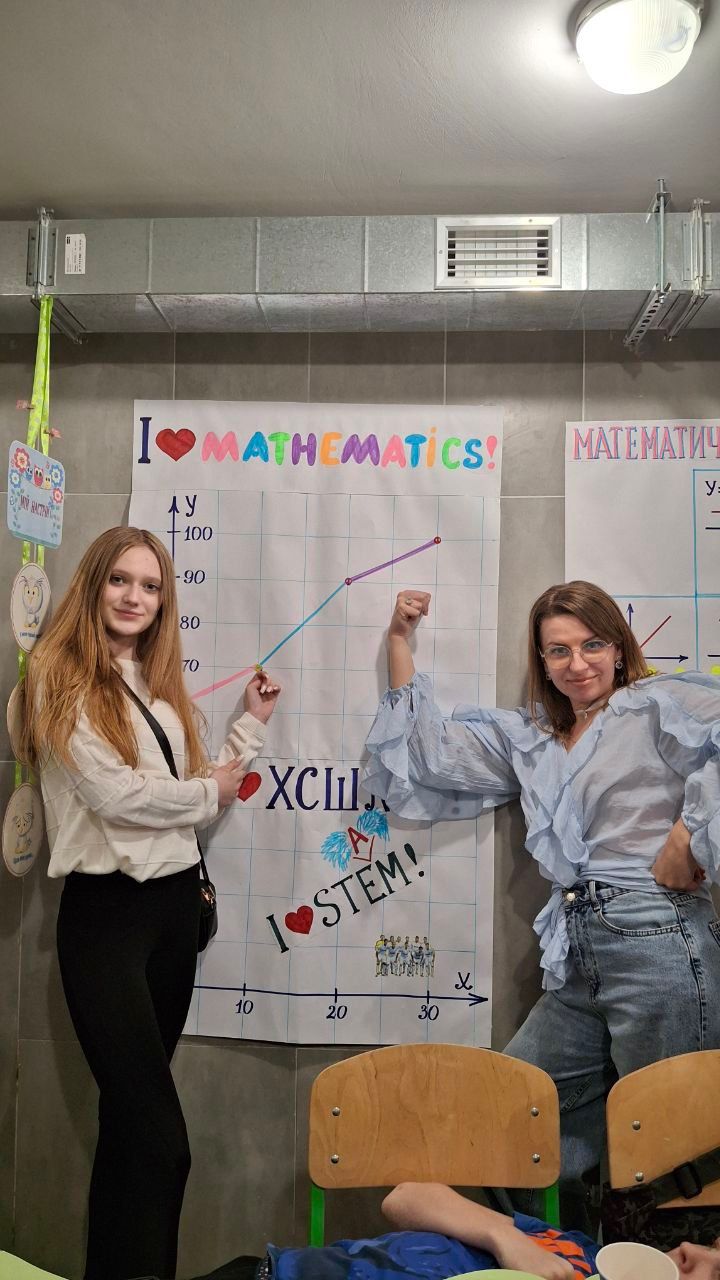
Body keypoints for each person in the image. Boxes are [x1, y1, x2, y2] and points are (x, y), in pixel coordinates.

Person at [363, 580, 720, 1227]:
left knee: (675, 1152)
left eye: (592, 645)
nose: (577, 664)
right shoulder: (533, 738)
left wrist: (688, 832)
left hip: (659, 935)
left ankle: (668, 1261)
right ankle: (574, 1255)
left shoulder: (655, 704)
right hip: (576, 952)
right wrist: (398, 641)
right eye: (558, 651)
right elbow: (430, 755)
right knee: (511, 1114)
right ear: (542, 660)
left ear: (619, 648)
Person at [18, 527, 281, 1280]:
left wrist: (249, 728)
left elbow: (195, 798)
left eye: (151, 585)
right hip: (107, 918)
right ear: (92, 584)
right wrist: (207, 790)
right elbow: (117, 796)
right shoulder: (58, 675)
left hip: (172, 913)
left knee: (129, 1134)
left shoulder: (157, 685)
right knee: (163, 1143)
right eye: (120, 580)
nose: (135, 597)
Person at [192, 1182, 720, 1280]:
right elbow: (404, 1199)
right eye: (715, 1244)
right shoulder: (575, 1251)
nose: (689, 1248)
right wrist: (506, 1238)